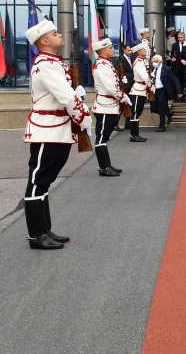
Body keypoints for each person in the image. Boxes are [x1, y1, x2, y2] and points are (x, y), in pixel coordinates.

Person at [22, 18, 92, 250]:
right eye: (54, 33)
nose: (60, 35)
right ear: (44, 41)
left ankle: (44, 229)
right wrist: (85, 119)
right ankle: (36, 236)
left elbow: (67, 96)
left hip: (57, 130)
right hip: (47, 131)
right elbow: (66, 97)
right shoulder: (46, 65)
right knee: (37, 181)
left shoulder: (53, 63)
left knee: (45, 181)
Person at [91, 38, 128, 177]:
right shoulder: (102, 66)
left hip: (109, 106)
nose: (114, 49)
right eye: (111, 48)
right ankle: (104, 168)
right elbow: (110, 88)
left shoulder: (106, 64)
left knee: (104, 137)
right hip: (104, 106)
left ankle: (107, 165)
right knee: (102, 137)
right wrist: (123, 97)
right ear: (104, 51)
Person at [128, 41, 154, 142]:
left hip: (141, 90)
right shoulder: (138, 62)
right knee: (135, 113)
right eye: (143, 49)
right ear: (138, 52)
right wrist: (152, 87)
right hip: (138, 90)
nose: (145, 50)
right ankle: (133, 135)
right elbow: (144, 76)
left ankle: (135, 134)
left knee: (137, 113)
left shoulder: (142, 61)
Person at [150, 54, 181, 132]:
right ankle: (168, 112)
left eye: (156, 61)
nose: (154, 63)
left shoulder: (167, 69)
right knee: (154, 107)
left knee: (161, 106)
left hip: (163, 90)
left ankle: (162, 125)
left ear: (160, 62)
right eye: (153, 61)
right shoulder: (152, 69)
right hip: (154, 90)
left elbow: (175, 80)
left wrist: (179, 91)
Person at [120, 43, 134, 129]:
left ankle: (128, 123)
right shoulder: (121, 59)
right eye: (128, 50)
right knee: (123, 104)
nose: (130, 52)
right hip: (125, 84)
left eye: (131, 50)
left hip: (130, 84)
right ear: (124, 50)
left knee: (129, 104)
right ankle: (115, 124)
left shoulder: (131, 59)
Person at [170, 31, 186, 98]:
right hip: (177, 66)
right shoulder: (174, 45)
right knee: (179, 80)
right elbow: (172, 54)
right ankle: (181, 94)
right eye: (178, 37)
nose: (180, 39)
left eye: (181, 37)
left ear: (184, 37)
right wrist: (172, 58)